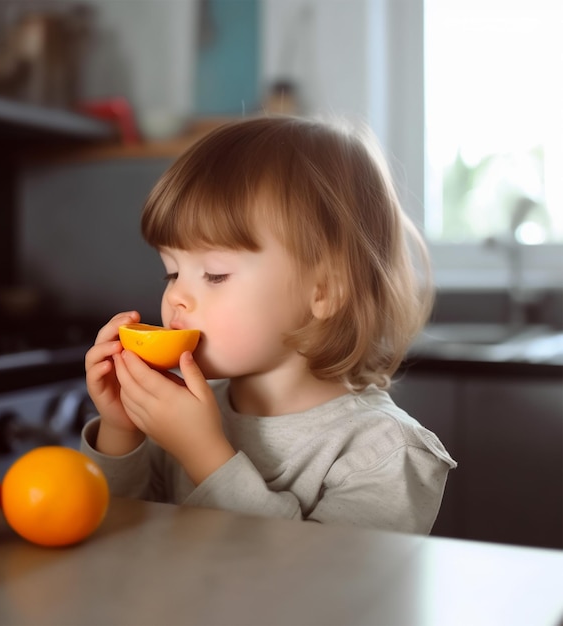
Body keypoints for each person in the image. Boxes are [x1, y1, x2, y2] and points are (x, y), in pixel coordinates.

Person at [82, 115, 456, 534]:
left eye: (215, 274)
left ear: (324, 292)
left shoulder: (383, 452)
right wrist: (121, 430)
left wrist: (206, 454)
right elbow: (120, 531)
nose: (175, 298)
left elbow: (317, 583)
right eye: (172, 272)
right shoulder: (184, 409)